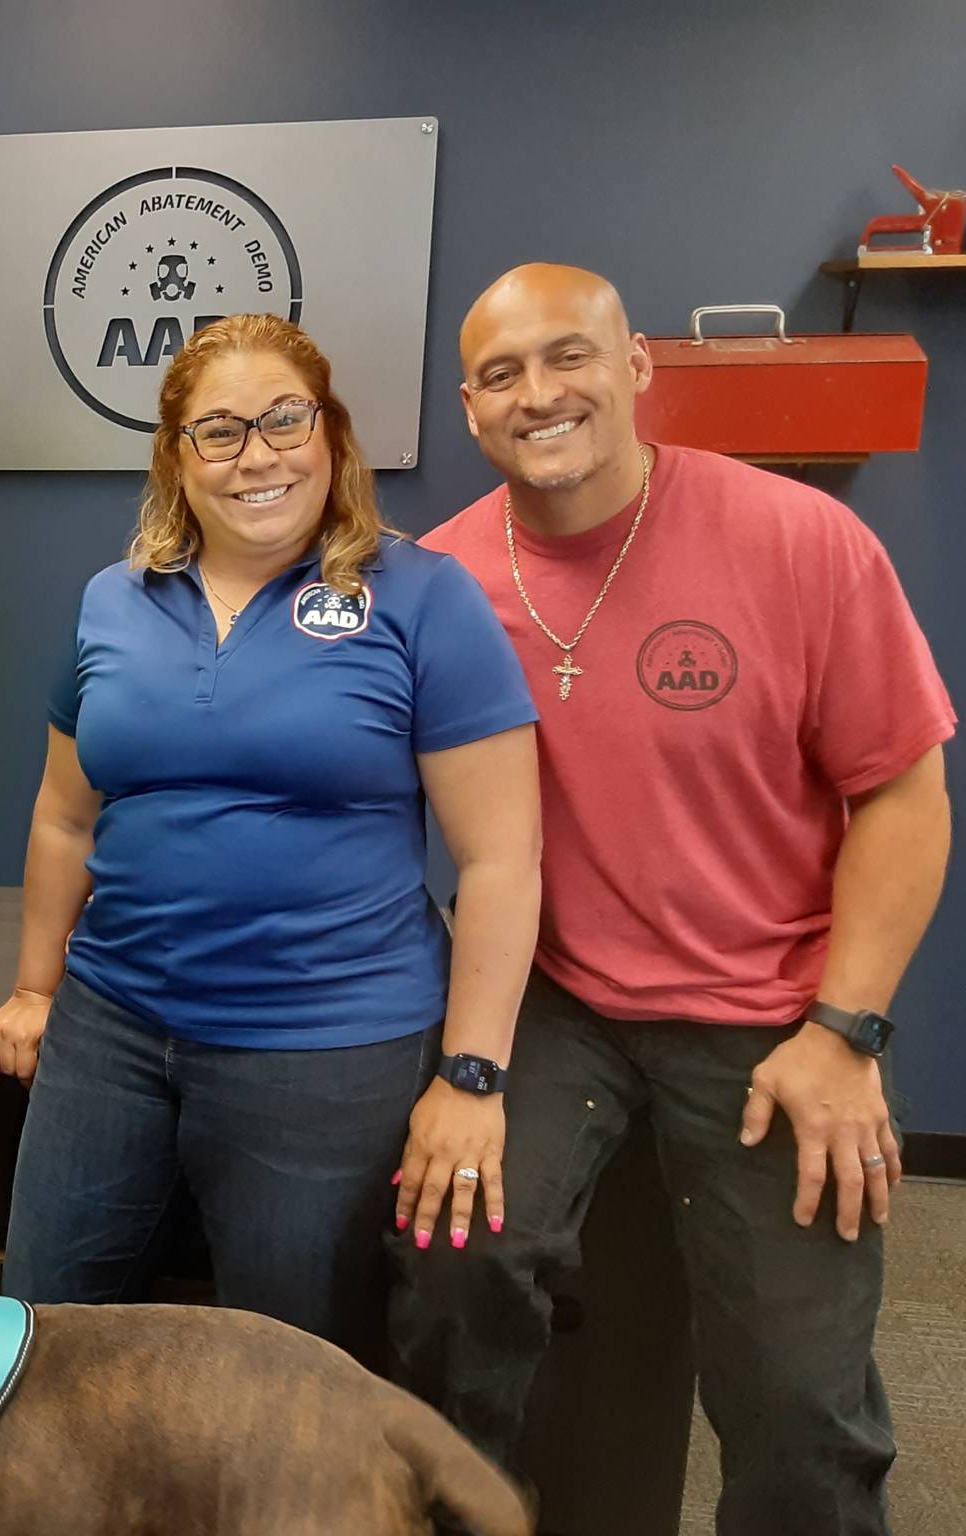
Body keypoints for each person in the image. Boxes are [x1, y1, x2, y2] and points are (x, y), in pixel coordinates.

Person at [391, 263, 954, 1534]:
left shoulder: (797, 541)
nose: (536, 395)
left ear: (636, 366)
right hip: (557, 998)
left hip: (770, 1007)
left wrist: (844, 1031)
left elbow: (902, 798)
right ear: (469, 411)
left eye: (565, 356)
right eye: (498, 375)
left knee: (800, 1406)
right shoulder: (437, 580)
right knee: (448, 1265)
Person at [0, 312, 542, 1365]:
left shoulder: (422, 599)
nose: (257, 456)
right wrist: (33, 987)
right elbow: (62, 814)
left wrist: (471, 1076)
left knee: (287, 1376)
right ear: (176, 457)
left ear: (328, 434)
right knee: (41, 1341)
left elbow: (502, 860)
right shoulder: (114, 600)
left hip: (322, 1053)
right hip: (110, 1031)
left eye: (284, 420)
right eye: (219, 431)